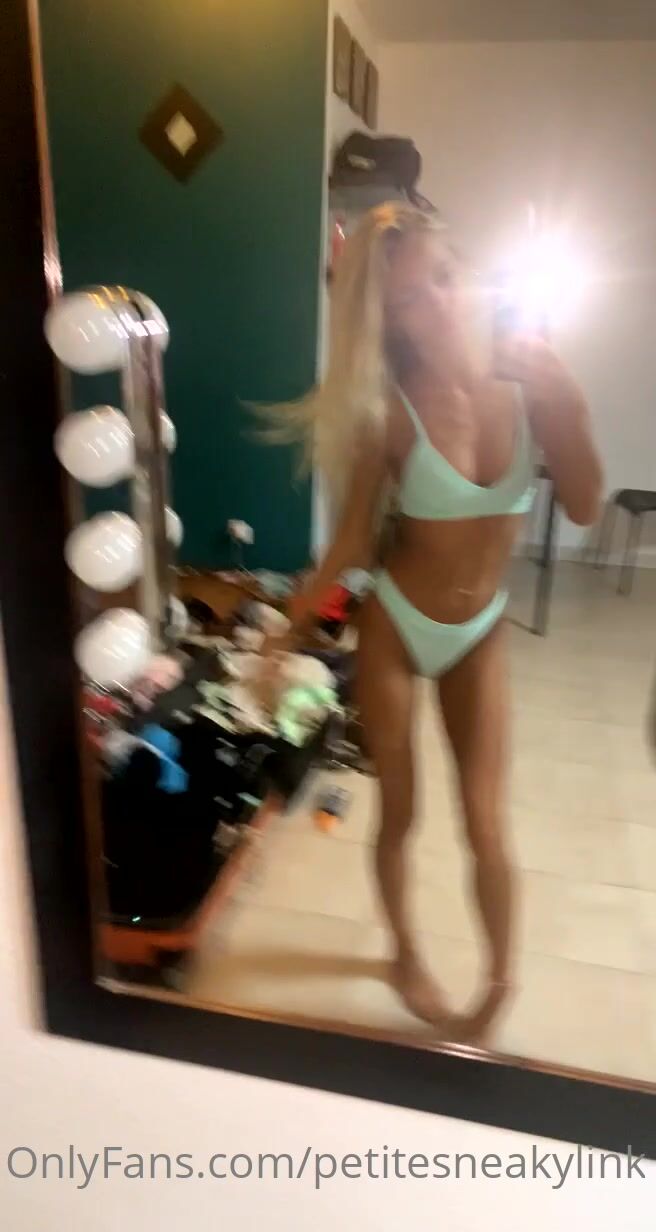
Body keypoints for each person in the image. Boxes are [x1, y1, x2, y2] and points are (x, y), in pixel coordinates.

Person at [262, 203, 602, 1040]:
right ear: (390, 321)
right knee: (403, 812)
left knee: (486, 821)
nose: (438, 306)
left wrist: (564, 397)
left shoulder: (530, 377)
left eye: (445, 279)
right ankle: (404, 952)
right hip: (397, 623)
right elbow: (350, 545)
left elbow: (586, 505)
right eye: (411, 299)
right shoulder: (390, 412)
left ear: (469, 273)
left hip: (479, 630)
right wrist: (284, 633)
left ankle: (499, 982)